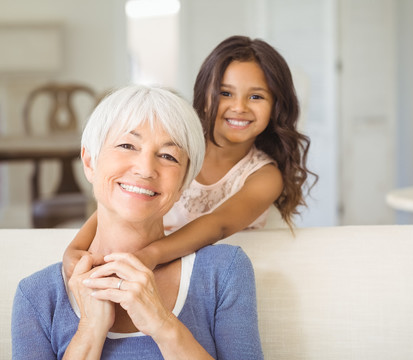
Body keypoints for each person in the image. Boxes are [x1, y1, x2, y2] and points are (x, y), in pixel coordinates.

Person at [11, 85, 263, 359]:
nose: (145, 169)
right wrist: (90, 330)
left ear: (183, 184)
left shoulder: (223, 272)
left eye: (168, 156)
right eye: (127, 145)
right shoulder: (37, 295)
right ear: (89, 162)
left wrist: (162, 324)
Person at [63, 35, 316, 277]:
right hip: (153, 268)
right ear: (204, 93)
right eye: (225, 93)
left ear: (276, 106)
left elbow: (218, 224)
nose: (239, 107)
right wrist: (75, 249)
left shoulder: (265, 176)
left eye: (256, 96)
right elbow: (119, 199)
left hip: (214, 279)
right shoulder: (175, 149)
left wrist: (150, 256)